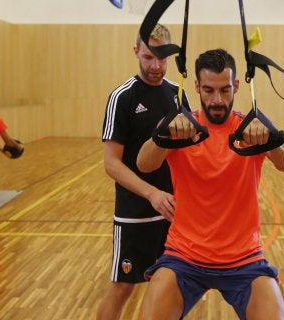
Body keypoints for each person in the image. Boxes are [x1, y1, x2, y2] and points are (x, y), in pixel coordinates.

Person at [136, 48, 284, 319]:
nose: (217, 100)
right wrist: (162, 138)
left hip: (244, 259)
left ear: (236, 85)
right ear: (197, 87)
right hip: (184, 257)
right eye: (209, 90)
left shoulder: (249, 129)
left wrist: (273, 141)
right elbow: (143, 164)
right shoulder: (180, 127)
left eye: (225, 90)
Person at [97, 24, 190, 320]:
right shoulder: (122, 97)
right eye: (149, 57)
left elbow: (188, 153)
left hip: (173, 213)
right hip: (134, 212)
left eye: (162, 58)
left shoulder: (178, 94)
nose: (156, 65)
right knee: (122, 288)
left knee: (171, 288)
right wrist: (151, 194)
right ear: (136, 51)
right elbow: (111, 163)